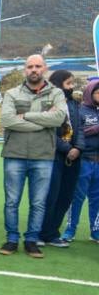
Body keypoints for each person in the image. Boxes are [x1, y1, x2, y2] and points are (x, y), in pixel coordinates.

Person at [0, 54, 67, 258]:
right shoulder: (11, 93)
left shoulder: (57, 93)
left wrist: (26, 115)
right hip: (15, 154)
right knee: (12, 201)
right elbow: (8, 120)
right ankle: (11, 239)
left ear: (45, 68)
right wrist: (44, 121)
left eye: (38, 66)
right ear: (24, 69)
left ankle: (31, 240)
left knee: (38, 202)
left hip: (43, 155)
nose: (34, 70)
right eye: (30, 66)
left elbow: (59, 118)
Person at [39, 69, 85, 247]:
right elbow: (47, 129)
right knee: (51, 195)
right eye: (68, 84)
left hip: (74, 157)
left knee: (66, 196)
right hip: (53, 156)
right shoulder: (48, 102)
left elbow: (79, 128)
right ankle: (41, 232)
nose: (72, 87)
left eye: (73, 83)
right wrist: (67, 148)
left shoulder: (74, 104)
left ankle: (53, 233)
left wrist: (78, 148)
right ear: (58, 84)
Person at [63, 79, 99, 243]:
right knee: (77, 196)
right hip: (84, 160)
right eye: (97, 92)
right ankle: (70, 229)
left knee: (97, 198)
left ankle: (95, 230)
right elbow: (78, 132)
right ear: (90, 93)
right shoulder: (81, 111)